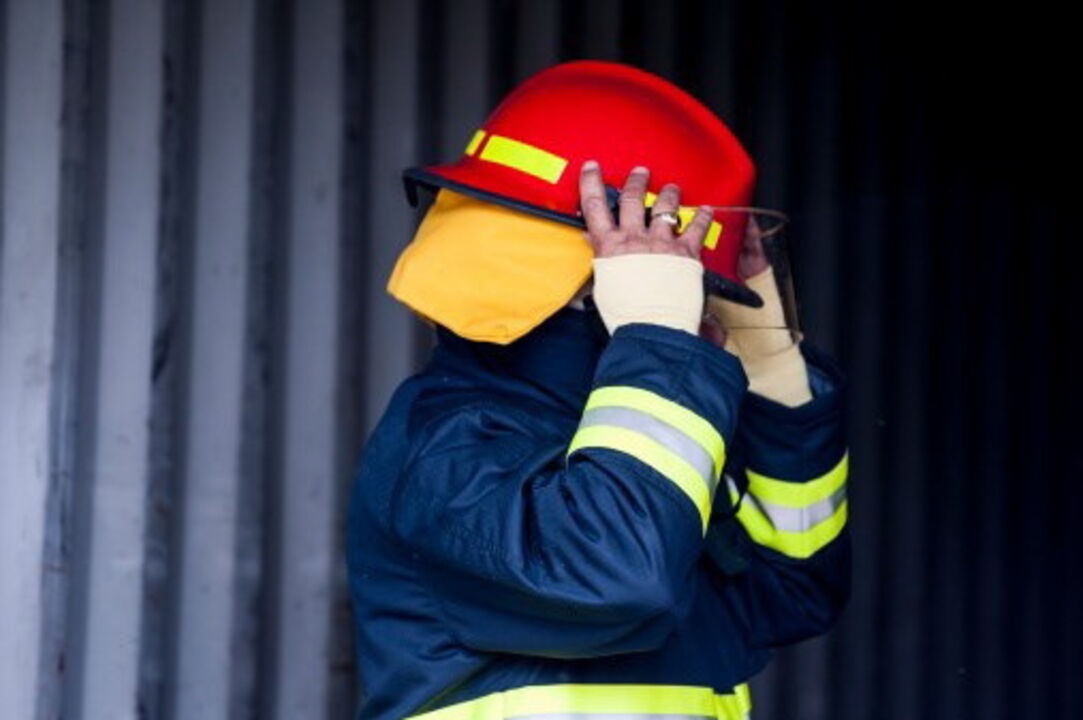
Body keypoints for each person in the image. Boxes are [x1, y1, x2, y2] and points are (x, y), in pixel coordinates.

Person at [346, 60, 850, 720]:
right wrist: (655, 344)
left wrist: (770, 368)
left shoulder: (640, 441)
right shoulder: (447, 444)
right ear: (596, 294)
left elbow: (791, 590)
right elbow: (618, 579)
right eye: (688, 295)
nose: (704, 326)